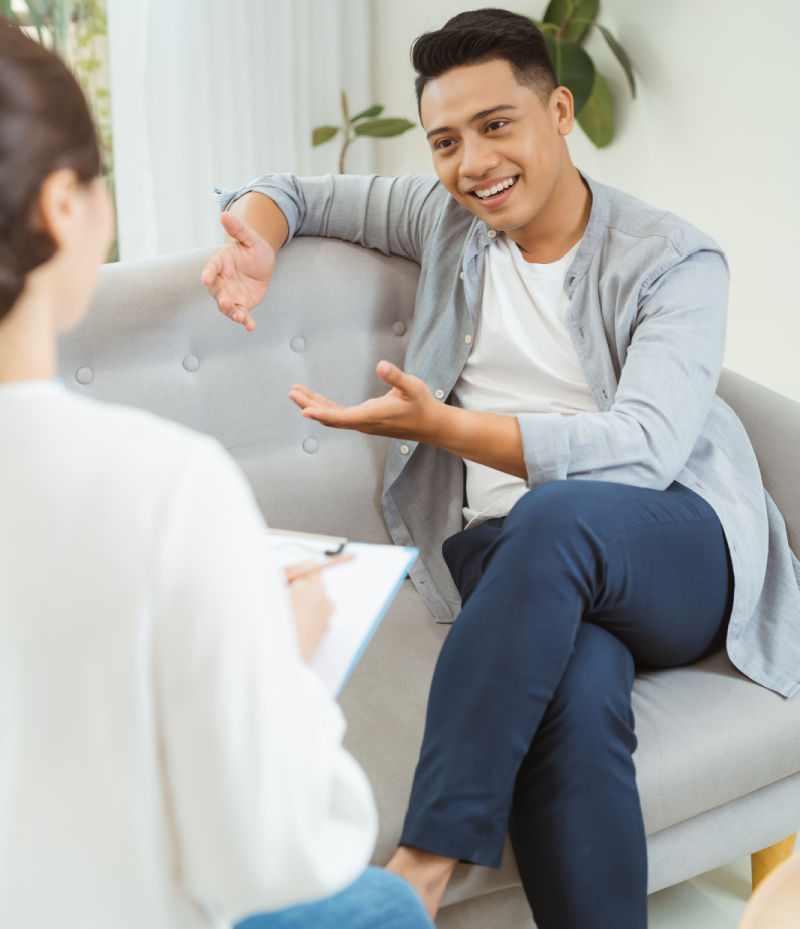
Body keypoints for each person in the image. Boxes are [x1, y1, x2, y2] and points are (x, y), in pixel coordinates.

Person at [204, 9, 800, 929]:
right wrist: (257, 235)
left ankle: (421, 867)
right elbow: (290, 190)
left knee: (555, 517)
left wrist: (450, 425)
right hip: (517, 555)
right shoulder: (446, 220)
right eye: (445, 140)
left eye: (495, 125)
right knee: (572, 706)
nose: (472, 162)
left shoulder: (674, 259)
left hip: (671, 543)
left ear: (558, 110)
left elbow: (643, 448)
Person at [0, 21, 435, 929]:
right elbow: (274, 855)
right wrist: (280, 659)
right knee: (383, 907)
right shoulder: (155, 486)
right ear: (64, 208)